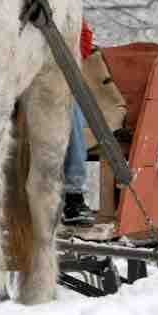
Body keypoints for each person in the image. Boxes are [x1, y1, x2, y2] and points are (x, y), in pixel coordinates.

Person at [63, 20, 98, 227]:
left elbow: (82, 36)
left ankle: (73, 195)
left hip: (54, 74)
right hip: (12, 75)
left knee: (70, 108)